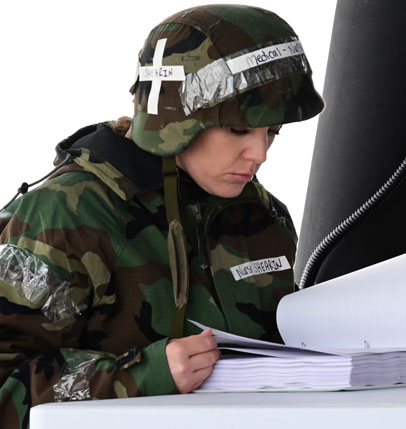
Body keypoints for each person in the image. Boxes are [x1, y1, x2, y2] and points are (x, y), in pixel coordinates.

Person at [0, 5, 324, 427]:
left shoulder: (258, 213)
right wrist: (141, 376)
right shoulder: (64, 216)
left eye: (272, 132)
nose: (259, 154)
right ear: (177, 118)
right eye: (240, 130)